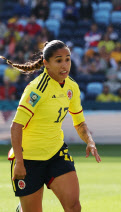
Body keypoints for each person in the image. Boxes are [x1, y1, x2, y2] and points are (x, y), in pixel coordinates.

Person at [4, 40, 101, 212]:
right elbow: (16, 126)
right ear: (46, 63)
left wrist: (90, 141)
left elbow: (79, 122)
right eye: (58, 60)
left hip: (56, 154)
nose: (65, 65)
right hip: (29, 160)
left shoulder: (72, 87)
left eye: (67, 59)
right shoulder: (36, 89)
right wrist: (19, 162)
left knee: (74, 207)